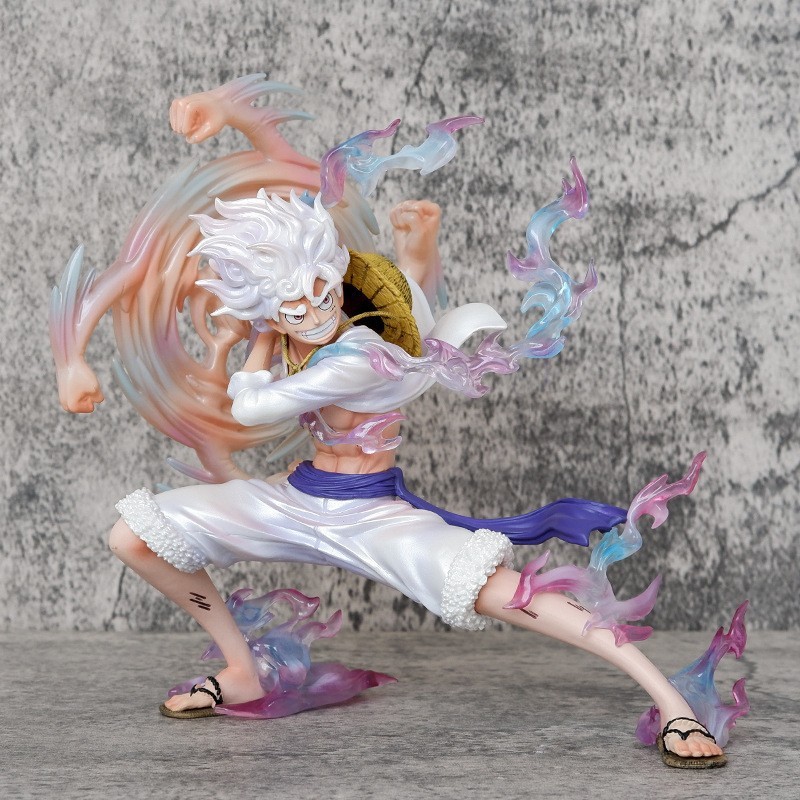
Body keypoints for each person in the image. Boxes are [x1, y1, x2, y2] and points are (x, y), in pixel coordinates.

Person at [108, 189, 726, 768]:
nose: (316, 313)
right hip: (297, 499)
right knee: (133, 537)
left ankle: (671, 702)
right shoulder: (299, 341)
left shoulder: (358, 354)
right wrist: (282, 324)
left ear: (335, 274)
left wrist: (264, 341)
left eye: (324, 292)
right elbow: (396, 305)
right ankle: (242, 671)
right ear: (267, 308)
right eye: (294, 308)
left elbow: (252, 407)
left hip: (373, 518)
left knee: (508, 593)